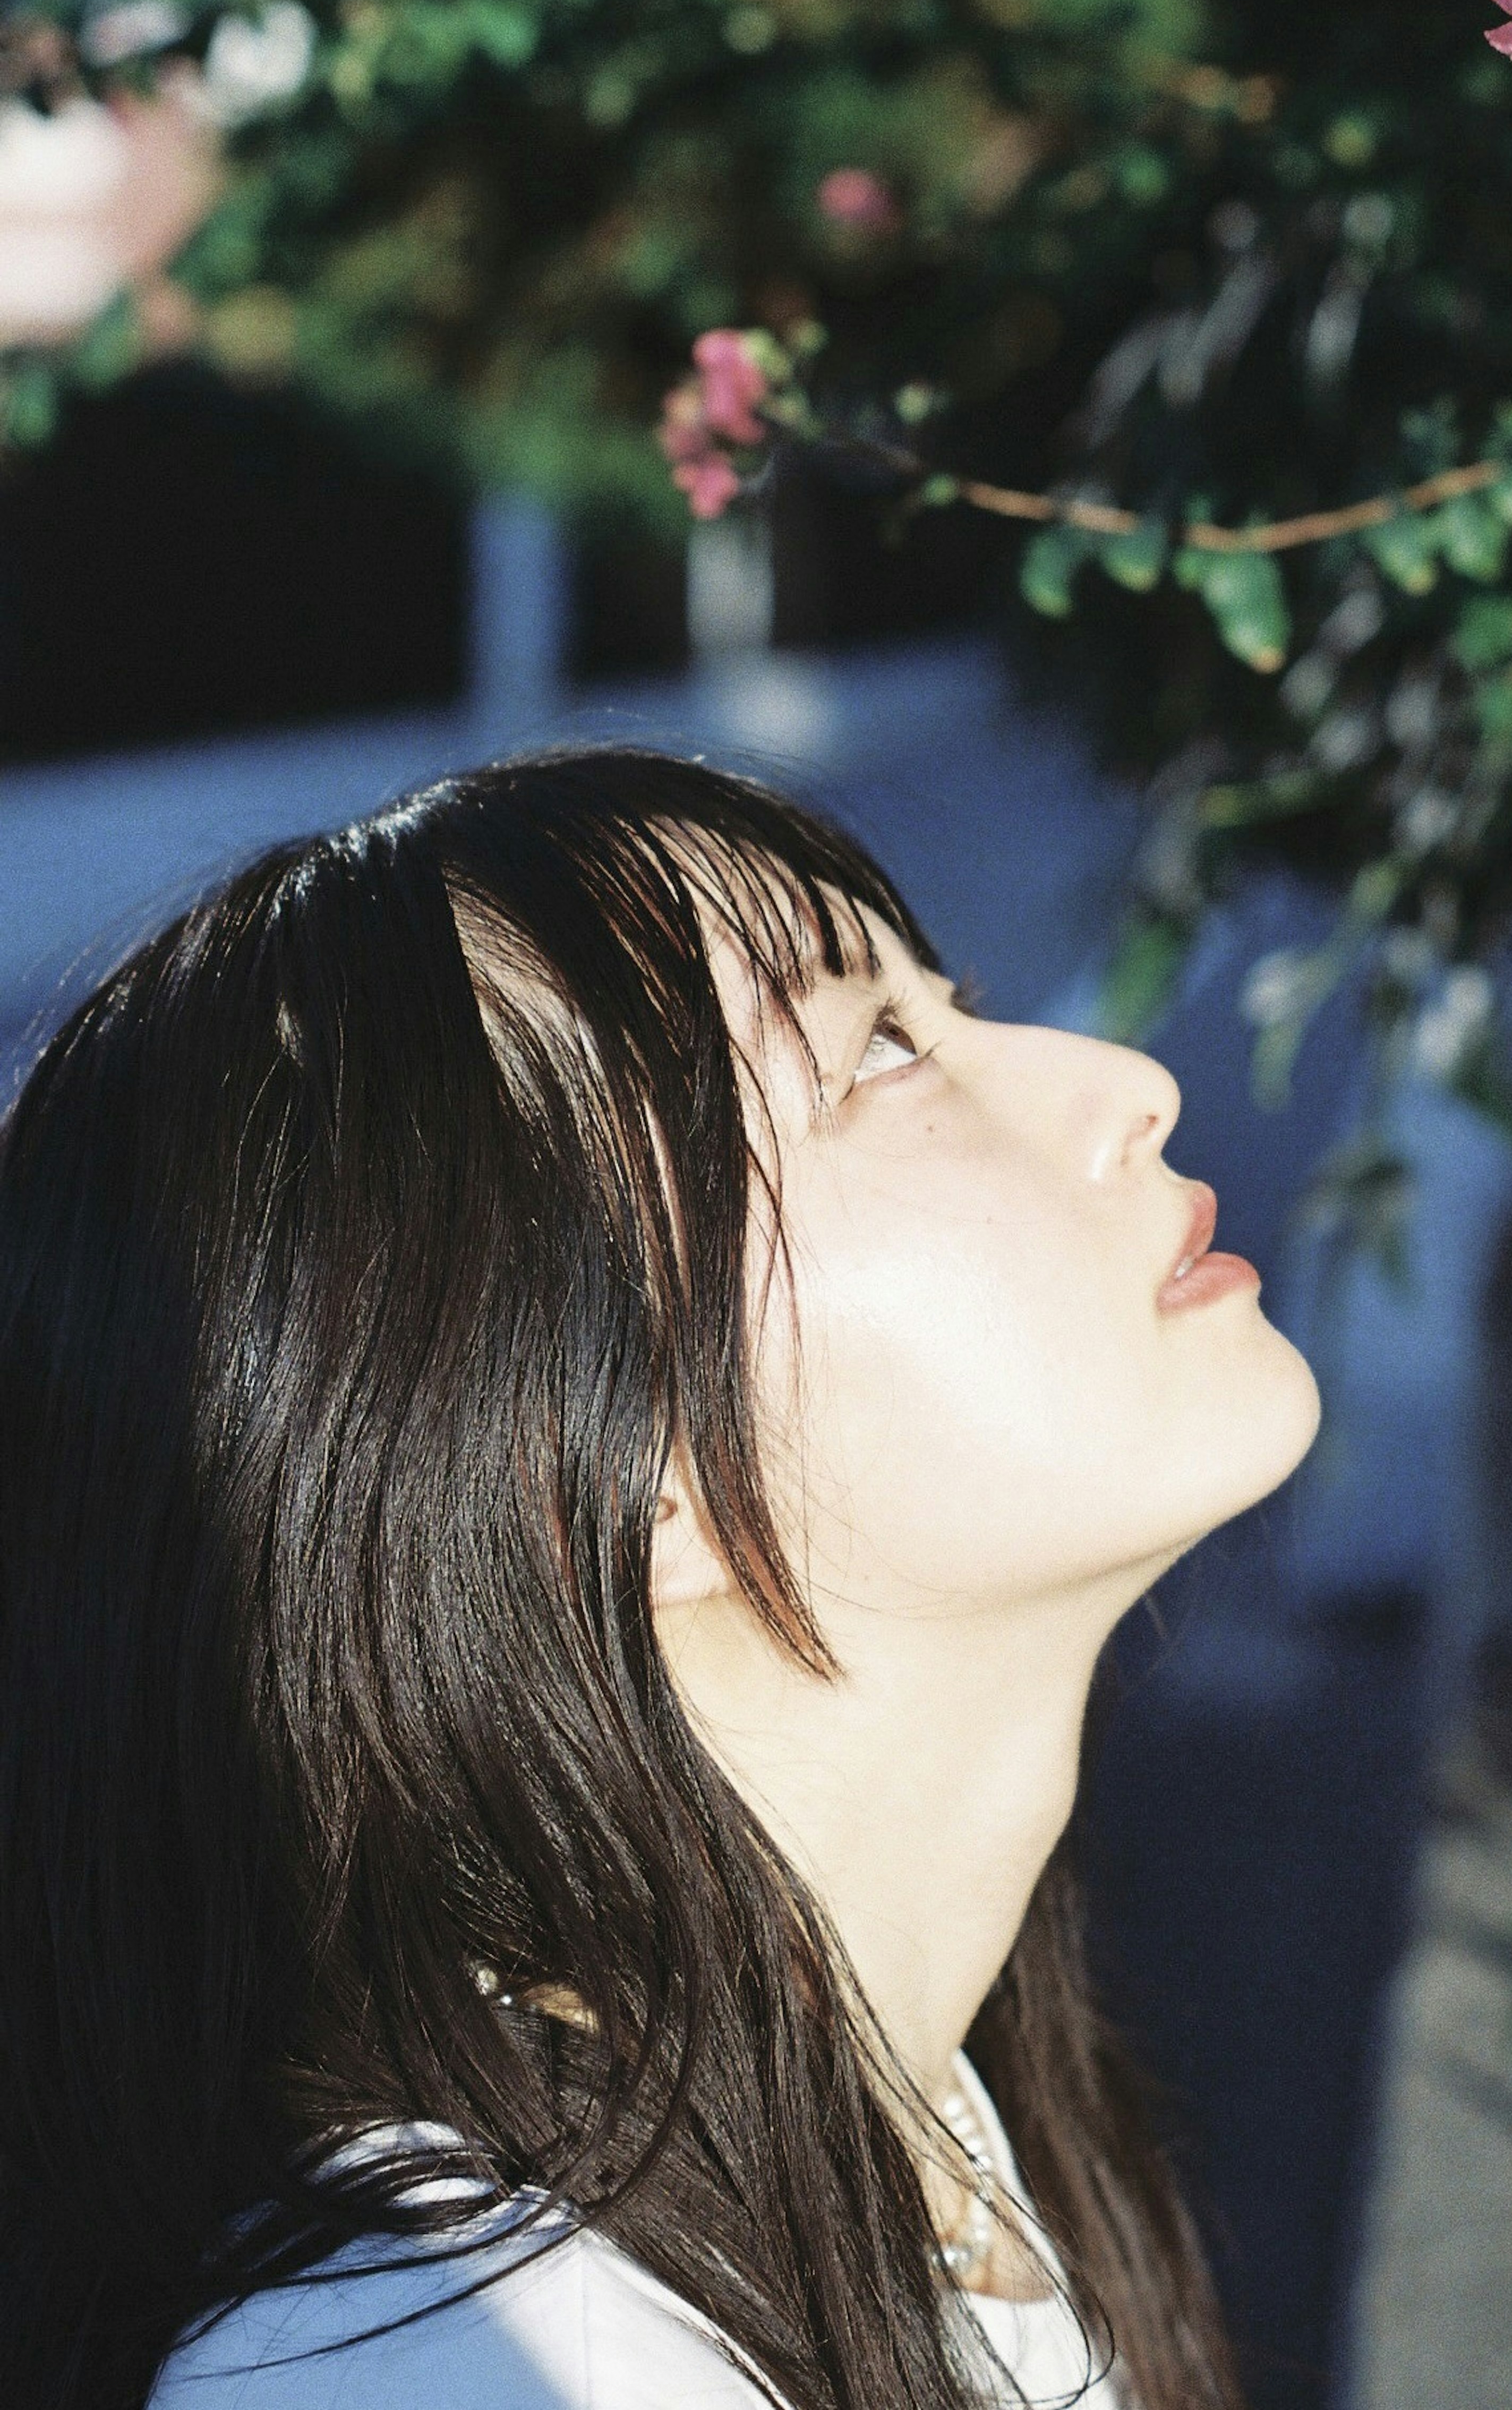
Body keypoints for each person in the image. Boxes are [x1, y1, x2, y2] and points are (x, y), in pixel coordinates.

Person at [0, 752, 1322, 2410]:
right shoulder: (455, 2362)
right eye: (882, 1055)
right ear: (611, 1478)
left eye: (947, 1002)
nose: (1127, 1081)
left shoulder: (926, 2146)